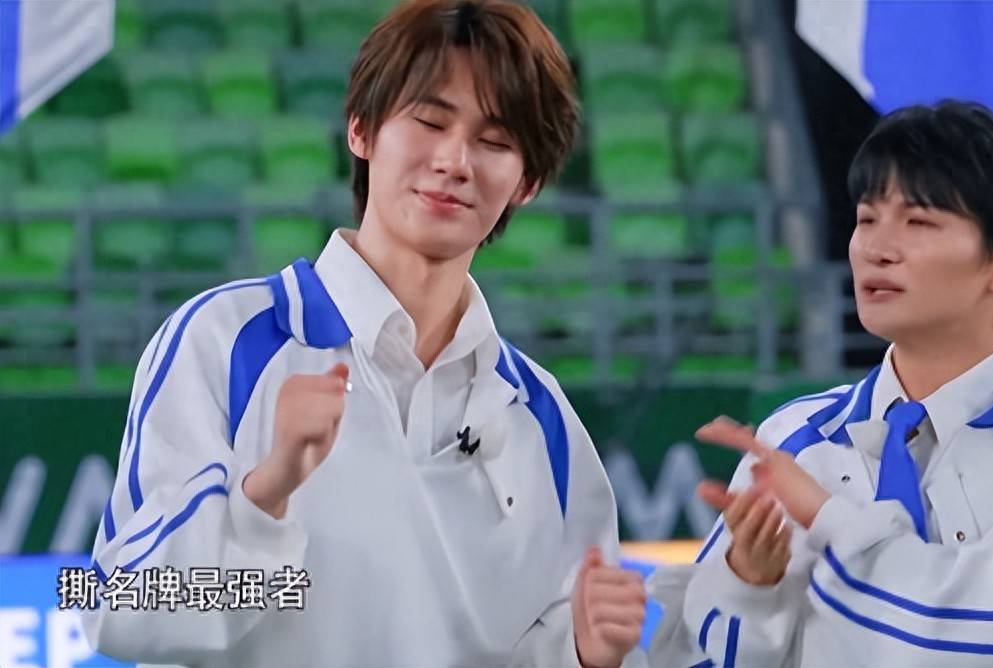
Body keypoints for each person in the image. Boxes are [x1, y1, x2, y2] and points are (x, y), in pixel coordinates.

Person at [83, 2, 646, 666]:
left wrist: (583, 653)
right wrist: (268, 490)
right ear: (361, 128)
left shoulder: (542, 420)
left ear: (527, 183)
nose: (454, 160)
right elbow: (117, 607)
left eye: (494, 142)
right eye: (430, 122)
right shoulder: (224, 340)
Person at [647, 100, 993, 667]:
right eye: (867, 219)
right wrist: (749, 589)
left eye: (918, 222)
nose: (876, 249)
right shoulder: (794, 437)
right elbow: (692, 658)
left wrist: (831, 522)